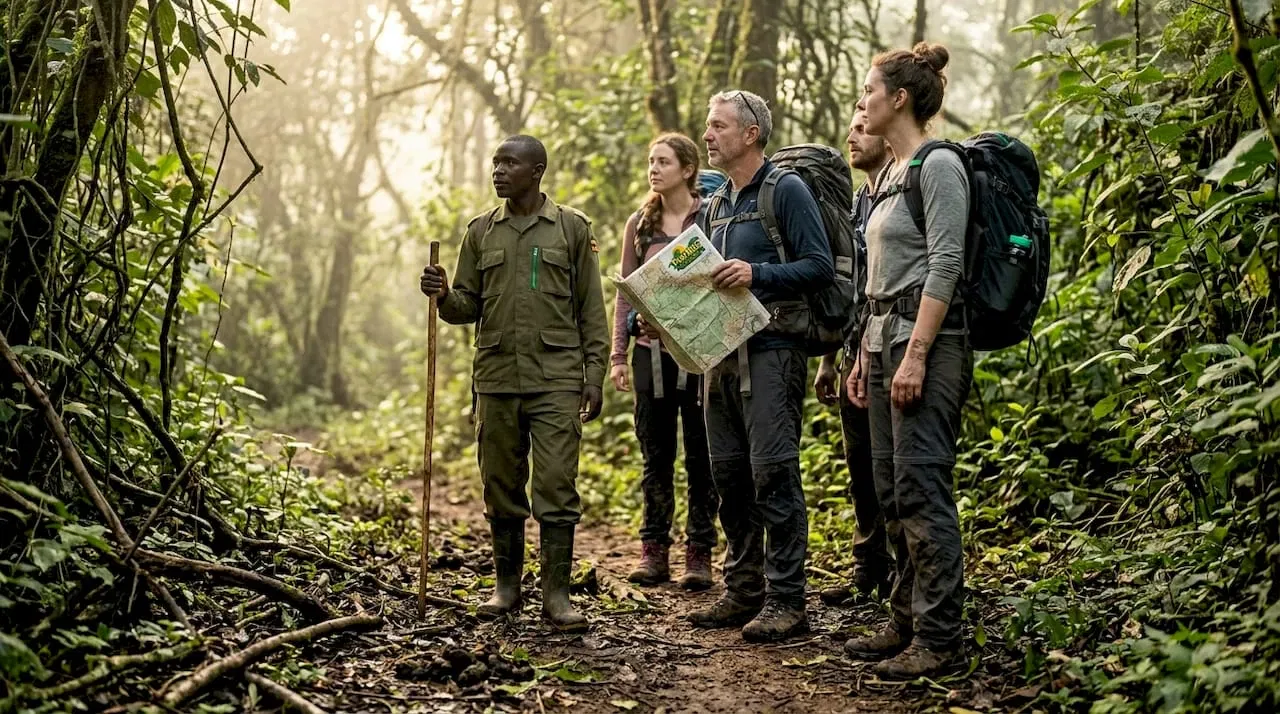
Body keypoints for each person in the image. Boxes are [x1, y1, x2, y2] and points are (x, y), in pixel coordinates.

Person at [418, 135, 608, 633]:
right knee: (500, 485)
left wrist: (595, 374)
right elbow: (466, 306)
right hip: (498, 378)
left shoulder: (570, 229)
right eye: (496, 162)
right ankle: (507, 587)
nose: (499, 171)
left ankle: (557, 596)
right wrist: (441, 294)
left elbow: (592, 308)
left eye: (510, 163)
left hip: (557, 380)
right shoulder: (481, 232)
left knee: (554, 486)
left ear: (537, 170)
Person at [842, 43, 973, 678]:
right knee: (891, 492)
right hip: (881, 339)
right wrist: (867, 354)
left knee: (922, 490)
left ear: (898, 99)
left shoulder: (938, 164)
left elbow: (945, 264)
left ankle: (940, 636)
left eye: (869, 91)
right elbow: (881, 275)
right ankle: (903, 618)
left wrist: (915, 354)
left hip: (928, 345)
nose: (861, 102)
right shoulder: (888, 175)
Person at [686, 90, 834, 642]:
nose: (708, 136)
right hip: (718, 356)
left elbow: (818, 267)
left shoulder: (785, 190)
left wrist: (758, 274)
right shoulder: (717, 200)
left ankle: (787, 601)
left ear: (750, 134)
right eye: (708, 126)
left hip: (772, 353)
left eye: (718, 126)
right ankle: (742, 589)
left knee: (773, 472)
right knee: (728, 475)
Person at [611, 133, 720, 591]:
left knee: (702, 456)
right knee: (655, 456)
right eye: (650, 161)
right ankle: (653, 551)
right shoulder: (640, 223)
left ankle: (699, 556)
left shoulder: (711, 216)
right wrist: (618, 353)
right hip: (648, 357)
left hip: (699, 356)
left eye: (663, 161)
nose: (653, 169)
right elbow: (625, 294)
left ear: (688, 169)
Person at [813, 110, 893, 605]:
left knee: (889, 465)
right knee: (859, 463)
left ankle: (901, 576)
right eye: (850, 127)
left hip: (887, 348)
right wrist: (827, 359)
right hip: (849, 355)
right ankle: (868, 568)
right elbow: (844, 288)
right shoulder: (856, 204)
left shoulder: (897, 195)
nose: (852, 136)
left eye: (863, 128)